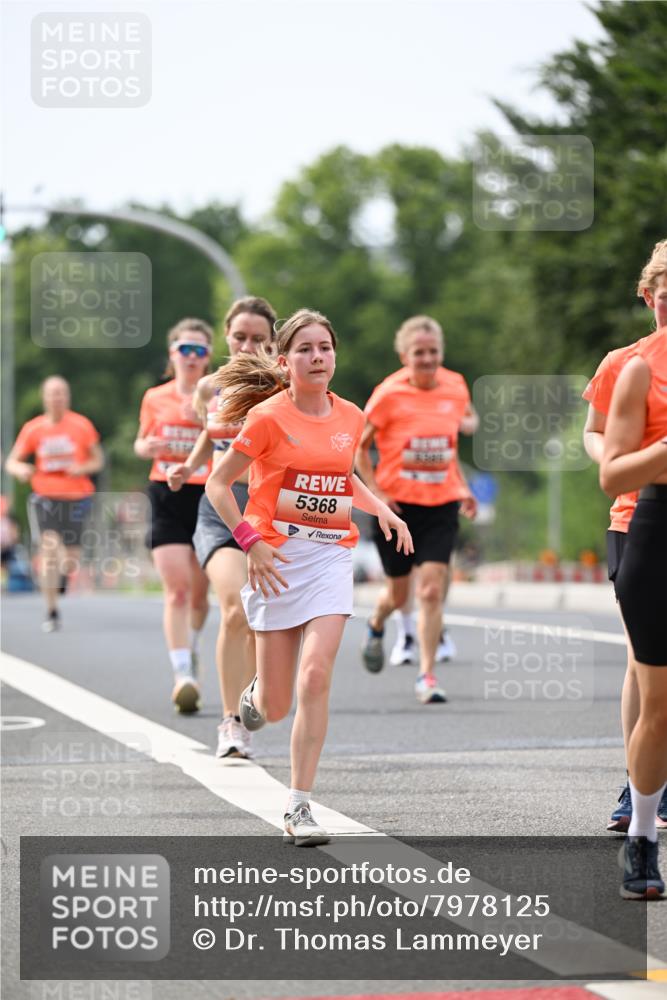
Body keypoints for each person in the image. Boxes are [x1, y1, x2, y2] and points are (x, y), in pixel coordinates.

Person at [205, 308, 412, 845]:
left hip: (329, 557)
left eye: (325, 347)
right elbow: (219, 486)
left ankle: (298, 806)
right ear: (285, 360)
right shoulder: (268, 417)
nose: (317, 357)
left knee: (315, 676)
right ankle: (253, 697)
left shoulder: (351, 416)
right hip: (274, 558)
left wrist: (382, 509)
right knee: (274, 707)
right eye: (305, 349)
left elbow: (344, 479)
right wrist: (250, 543)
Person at [167, 296, 277, 759]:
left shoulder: (282, 387)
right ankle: (231, 723)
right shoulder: (210, 387)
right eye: (240, 337)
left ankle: (253, 698)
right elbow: (210, 437)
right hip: (218, 512)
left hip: (267, 513)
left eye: (258, 339)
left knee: (257, 619)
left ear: (272, 343)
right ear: (226, 337)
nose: (248, 345)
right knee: (233, 607)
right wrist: (187, 467)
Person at [583, 239, 667, 832]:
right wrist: (619, 460)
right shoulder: (626, 362)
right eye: (666, 299)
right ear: (647, 297)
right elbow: (595, 434)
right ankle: (637, 786)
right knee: (645, 661)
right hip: (633, 516)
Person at [356, 316, 477, 703]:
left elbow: (446, 447)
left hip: (441, 503)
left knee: (430, 590)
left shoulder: (455, 386)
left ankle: (426, 675)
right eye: (419, 353)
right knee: (398, 593)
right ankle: (377, 624)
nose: (427, 360)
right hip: (397, 507)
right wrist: (375, 494)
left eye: (433, 352)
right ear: (404, 354)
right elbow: (358, 447)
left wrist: (463, 487)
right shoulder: (388, 393)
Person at [600, 325, 667, 900]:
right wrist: (663, 454)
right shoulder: (640, 368)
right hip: (657, 532)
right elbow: (612, 472)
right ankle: (643, 833)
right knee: (660, 708)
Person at [135, 318, 213, 713]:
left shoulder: (218, 396)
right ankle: (182, 674)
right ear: (173, 354)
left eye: (200, 351)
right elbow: (140, 442)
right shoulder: (154, 397)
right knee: (177, 589)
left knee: (200, 594)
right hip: (165, 492)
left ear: (209, 357)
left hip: (207, 496)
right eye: (186, 349)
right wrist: (146, 445)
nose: (192, 357)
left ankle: (193, 647)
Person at [4, 376, 104, 631]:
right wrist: (21, 470)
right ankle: (51, 611)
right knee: (50, 548)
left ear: (67, 397)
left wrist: (81, 467)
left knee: (70, 558)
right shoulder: (33, 429)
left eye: (62, 393)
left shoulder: (81, 425)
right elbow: (11, 461)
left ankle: (61, 577)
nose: (57, 398)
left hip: (78, 496)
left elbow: (97, 461)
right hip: (45, 496)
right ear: (44, 397)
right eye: (52, 393)